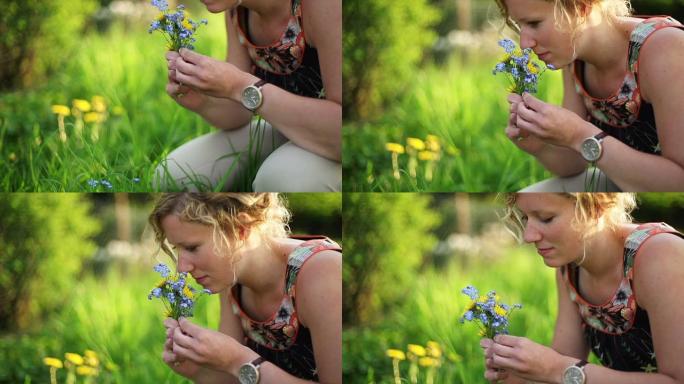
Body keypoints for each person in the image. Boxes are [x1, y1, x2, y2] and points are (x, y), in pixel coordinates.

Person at [479, 193, 684, 383]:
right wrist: (523, 374)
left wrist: (556, 369)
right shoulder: (570, 269)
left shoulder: (662, 256)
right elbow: (566, 365)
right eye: (525, 219)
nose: (528, 236)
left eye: (546, 218)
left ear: (595, 206)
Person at [148, 193, 342, 383]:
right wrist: (198, 370)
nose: (182, 268)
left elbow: (240, 366)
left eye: (192, 248)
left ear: (240, 229)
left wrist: (237, 359)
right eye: (177, 249)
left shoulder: (323, 271)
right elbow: (234, 378)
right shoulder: (231, 279)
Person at [495, 0, 684, 191]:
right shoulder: (575, 61)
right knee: (532, 193)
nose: (525, 44)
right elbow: (574, 163)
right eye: (519, 25)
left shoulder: (666, 48)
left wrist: (580, 134)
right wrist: (539, 146)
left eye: (534, 23)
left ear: (581, 7)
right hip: (632, 182)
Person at [156, 0, 341, 192]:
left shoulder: (325, 5)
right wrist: (203, 100)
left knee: (279, 179)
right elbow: (238, 113)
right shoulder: (238, 9)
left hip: (334, 140)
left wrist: (241, 85)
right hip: (285, 127)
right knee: (172, 175)